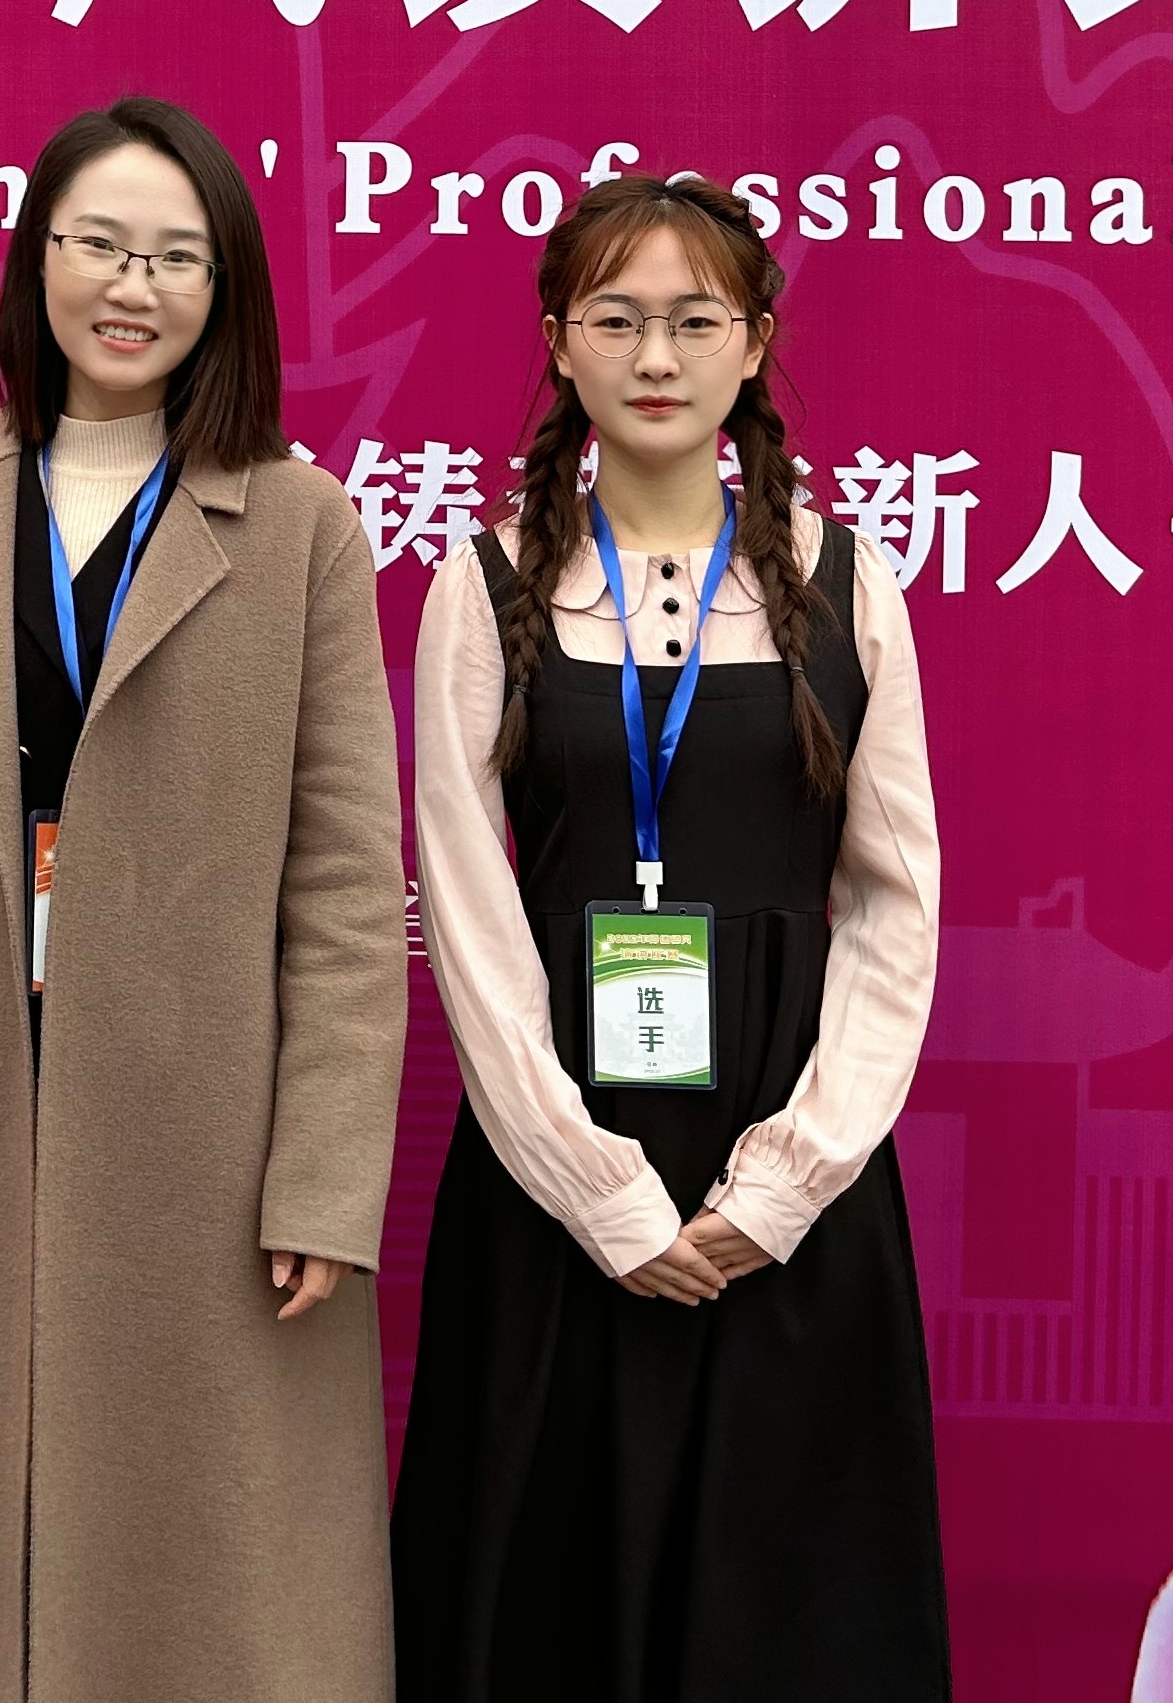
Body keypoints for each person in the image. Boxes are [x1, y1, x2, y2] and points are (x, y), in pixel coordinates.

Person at [0, 96, 408, 1703]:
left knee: (208, 1576)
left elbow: (347, 885)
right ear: (38, 258)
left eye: (177, 257)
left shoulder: (301, 524)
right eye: (100, 245)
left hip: (210, 1126)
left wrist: (325, 1176)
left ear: (226, 287)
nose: (133, 287)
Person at [390, 172, 950, 1698]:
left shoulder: (846, 583)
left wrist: (786, 1185)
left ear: (754, 344)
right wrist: (602, 1198)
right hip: (552, 1191)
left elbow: (896, 908)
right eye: (616, 319)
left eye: (696, 321)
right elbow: (467, 905)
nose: (655, 356)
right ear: (558, 342)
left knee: (790, 1619)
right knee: (545, 1606)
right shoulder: (485, 582)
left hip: (791, 1186)